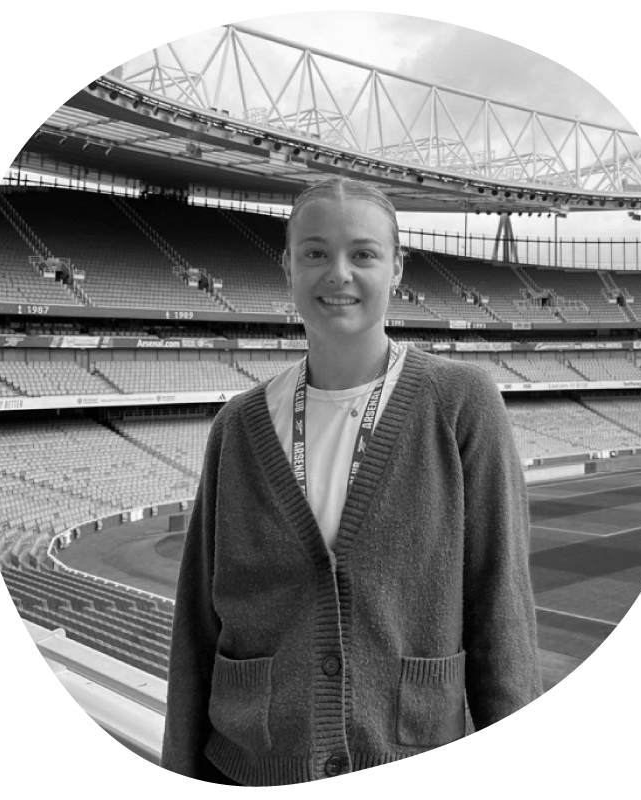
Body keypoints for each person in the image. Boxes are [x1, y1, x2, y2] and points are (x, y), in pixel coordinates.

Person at [160, 177, 543, 794]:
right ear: (287, 266)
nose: (337, 273)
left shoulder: (463, 405)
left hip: (412, 777)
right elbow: (197, 631)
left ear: (396, 269)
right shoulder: (237, 426)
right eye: (314, 252)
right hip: (249, 773)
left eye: (363, 253)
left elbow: (502, 620)